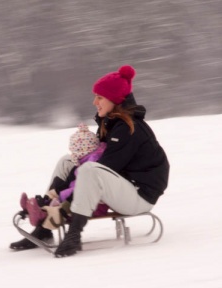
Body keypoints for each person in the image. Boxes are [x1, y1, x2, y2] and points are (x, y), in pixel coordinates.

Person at [11, 65, 170, 258]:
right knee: (67, 161)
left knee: (89, 169)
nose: (95, 102)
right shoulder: (111, 124)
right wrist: (60, 192)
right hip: (123, 187)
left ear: (115, 100)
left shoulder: (129, 129)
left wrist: (65, 199)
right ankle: (45, 228)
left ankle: (74, 234)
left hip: (139, 197)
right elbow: (94, 163)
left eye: (100, 97)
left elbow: (102, 168)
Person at [10, 123, 108, 249]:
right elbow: (73, 184)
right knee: (58, 190)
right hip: (80, 199)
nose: (73, 154)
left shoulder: (90, 165)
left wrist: (61, 196)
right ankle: (39, 206)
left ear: (82, 151)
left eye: (75, 151)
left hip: (93, 205)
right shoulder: (85, 162)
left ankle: (42, 214)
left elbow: (79, 188)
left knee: (59, 207)